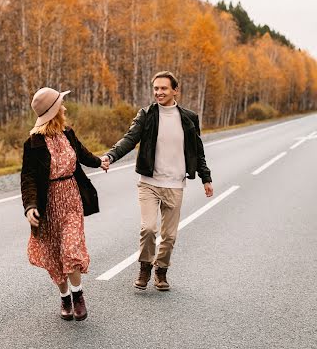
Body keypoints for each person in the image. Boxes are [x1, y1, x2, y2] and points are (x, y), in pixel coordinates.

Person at [101, 71, 213, 291]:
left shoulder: (189, 118)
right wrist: (110, 156)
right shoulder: (146, 115)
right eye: (156, 88)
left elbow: (197, 151)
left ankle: (161, 272)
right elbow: (129, 139)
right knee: (149, 228)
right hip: (149, 183)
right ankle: (144, 268)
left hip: (175, 184)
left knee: (169, 236)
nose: (159, 92)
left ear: (175, 90)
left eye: (163, 88)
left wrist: (205, 178)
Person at [21, 87, 108, 321]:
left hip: (71, 197)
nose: (65, 108)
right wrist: (30, 206)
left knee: (71, 249)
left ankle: (78, 295)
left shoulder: (68, 133)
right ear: (52, 111)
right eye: (61, 104)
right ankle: (64, 296)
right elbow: (28, 178)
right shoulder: (33, 144)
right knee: (53, 255)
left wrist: (100, 162)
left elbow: (82, 154)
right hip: (47, 204)